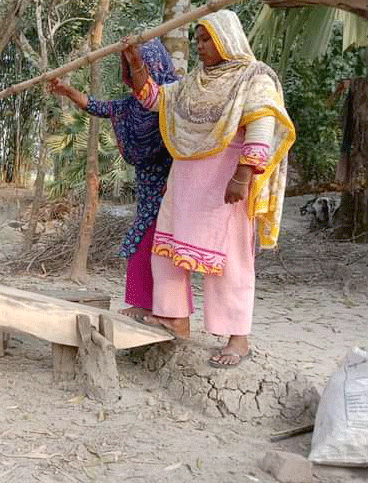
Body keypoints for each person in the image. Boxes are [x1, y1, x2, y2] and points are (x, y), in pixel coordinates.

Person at [121, 10, 295, 367]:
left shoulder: (254, 77)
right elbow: (155, 100)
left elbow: (261, 125)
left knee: (230, 260)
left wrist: (243, 176)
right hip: (185, 182)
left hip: (225, 184)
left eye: (207, 39)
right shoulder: (193, 81)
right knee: (166, 249)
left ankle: (237, 338)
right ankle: (175, 318)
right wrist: (136, 63)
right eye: (198, 39)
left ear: (227, 39)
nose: (200, 46)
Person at [48, 38, 185, 321]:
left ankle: (168, 312)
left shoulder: (174, 101)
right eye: (130, 68)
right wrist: (67, 90)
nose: (133, 75)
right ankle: (142, 304)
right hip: (147, 189)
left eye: (138, 67)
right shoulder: (129, 107)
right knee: (141, 242)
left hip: (173, 186)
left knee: (164, 248)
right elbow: (95, 106)